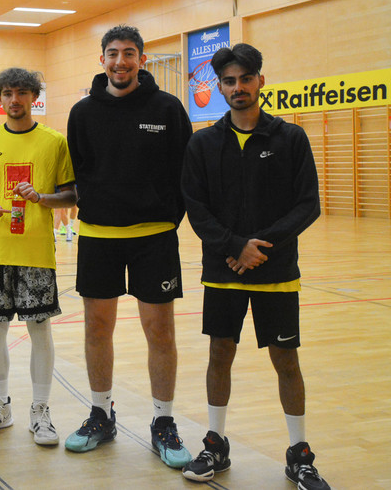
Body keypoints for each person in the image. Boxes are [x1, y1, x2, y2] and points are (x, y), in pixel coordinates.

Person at [180, 44, 329, 489]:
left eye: (246, 78)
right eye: (229, 81)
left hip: (275, 270)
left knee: (286, 360)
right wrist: (233, 246)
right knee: (219, 354)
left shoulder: (290, 138)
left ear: (260, 80)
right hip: (223, 270)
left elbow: (308, 204)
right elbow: (195, 206)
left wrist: (259, 247)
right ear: (220, 87)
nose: (238, 87)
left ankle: (299, 454)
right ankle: (216, 444)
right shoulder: (203, 143)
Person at [64, 24, 193, 468]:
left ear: (142, 59)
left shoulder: (168, 108)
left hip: (153, 238)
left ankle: (163, 421)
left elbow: (185, 171)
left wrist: (168, 218)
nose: (121, 61)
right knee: (97, 329)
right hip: (98, 237)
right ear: (102, 59)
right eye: (113, 53)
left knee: (161, 332)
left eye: (129, 53)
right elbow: (79, 170)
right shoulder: (82, 112)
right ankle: (101, 415)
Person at [0, 68, 75, 445]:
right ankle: (0, 405)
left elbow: (71, 194)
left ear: (34, 97)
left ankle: (41, 410)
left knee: (39, 329)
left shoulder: (53, 141)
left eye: (22, 93)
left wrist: (41, 197)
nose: (15, 99)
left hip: (35, 252)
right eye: (8, 93)